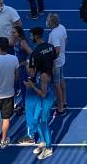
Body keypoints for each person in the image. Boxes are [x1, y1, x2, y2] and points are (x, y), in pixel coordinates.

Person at [22, 30, 55, 160]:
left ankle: (49, 148)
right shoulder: (49, 49)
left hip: (46, 99)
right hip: (42, 97)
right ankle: (42, 142)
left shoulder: (44, 76)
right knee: (36, 121)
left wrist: (32, 86)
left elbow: (43, 93)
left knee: (43, 122)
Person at [46, 13, 68, 114]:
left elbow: (57, 49)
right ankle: (64, 101)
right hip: (62, 59)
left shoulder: (54, 34)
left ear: (51, 22)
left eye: (48, 20)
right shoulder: (62, 27)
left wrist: (52, 60)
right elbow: (66, 40)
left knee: (56, 85)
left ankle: (60, 107)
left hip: (56, 62)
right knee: (61, 80)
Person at [9, 24, 31, 114]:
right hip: (16, 67)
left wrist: (27, 62)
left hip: (21, 68)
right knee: (14, 85)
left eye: (14, 32)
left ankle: (25, 106)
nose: (12, 34)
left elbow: (31, 53)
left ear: (19, 33)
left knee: (23, 87)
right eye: (11, 32)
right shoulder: (15, 40)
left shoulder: (22, 42)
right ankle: (14, 105)